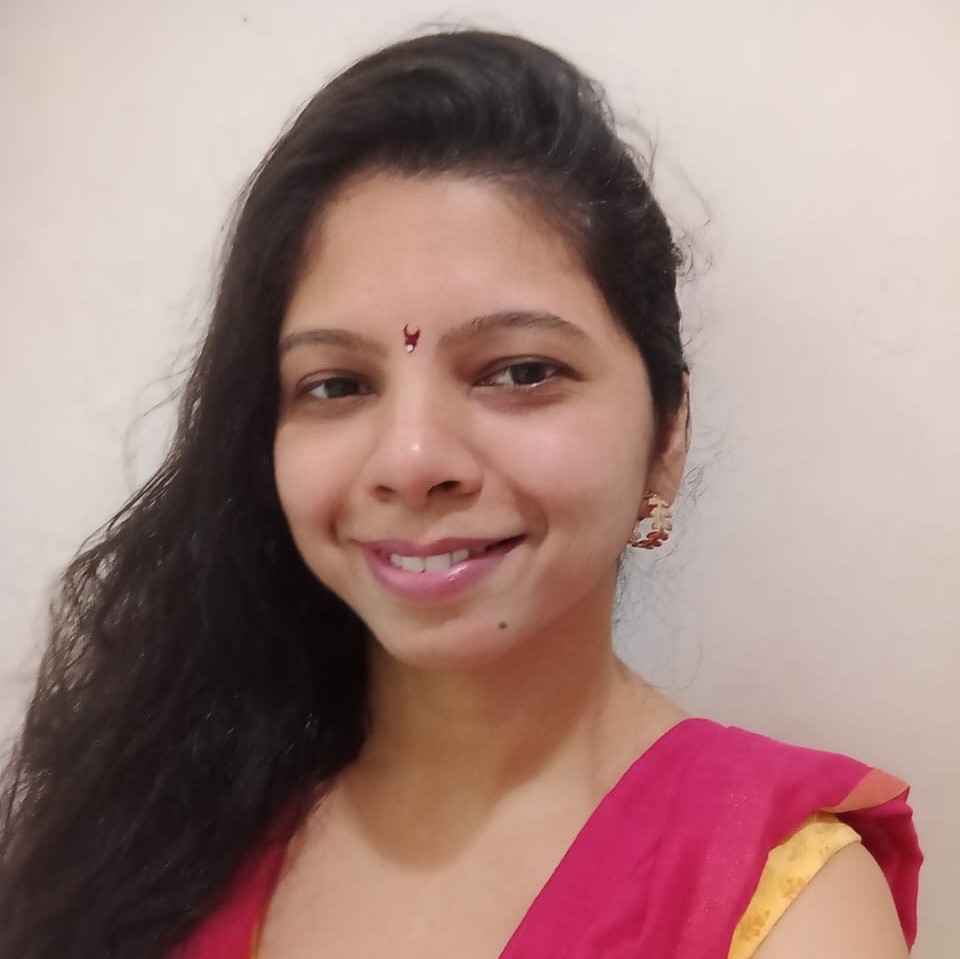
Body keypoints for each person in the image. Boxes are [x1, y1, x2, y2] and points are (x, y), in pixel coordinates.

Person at [0, 28, 920, 959]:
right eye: (336, 384)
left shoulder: (781, 896)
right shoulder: (156, 821)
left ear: (664, 439)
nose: (410, 458)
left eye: (520, 371)